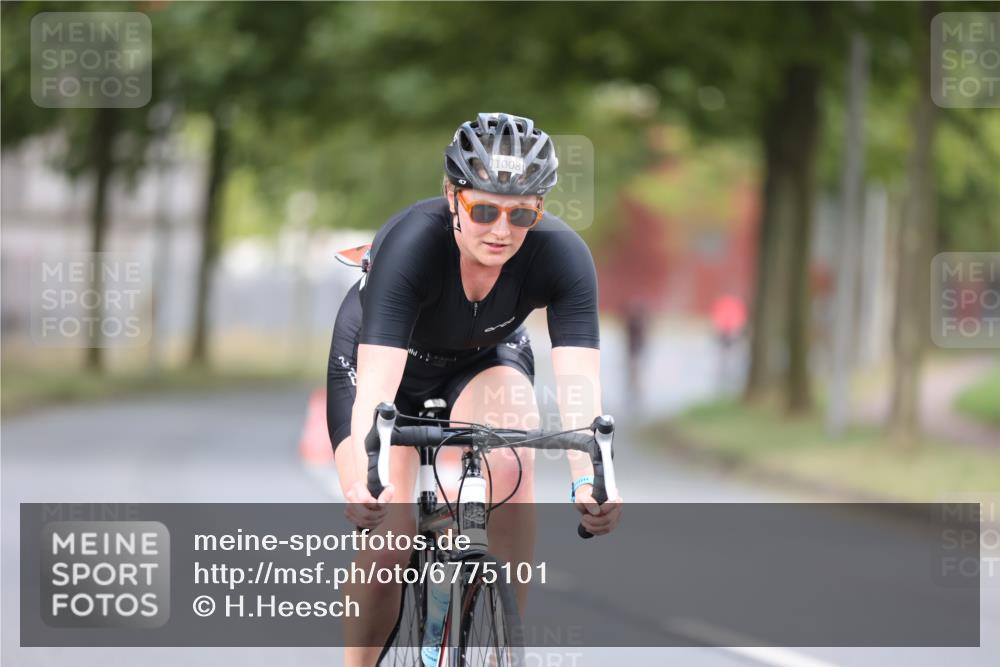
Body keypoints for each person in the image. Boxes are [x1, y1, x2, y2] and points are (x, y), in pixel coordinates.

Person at [326, 112, 623, 665]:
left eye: (522, 214)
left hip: (482, 361)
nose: (502, 230)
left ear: (541, 209)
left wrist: (591, 478)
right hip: (385, 368)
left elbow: (579, 381)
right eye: (482, 209)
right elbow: (379, 385)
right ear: (451, 195)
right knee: (387, 540)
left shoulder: (563, 256)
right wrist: (370, 474)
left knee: (512, 462)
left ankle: (500, 647)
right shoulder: (413, 241)